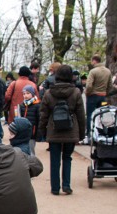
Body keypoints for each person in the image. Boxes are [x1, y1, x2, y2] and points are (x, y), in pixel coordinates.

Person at [38, 64, 86, 195]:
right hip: (71, 129)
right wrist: (82, 133)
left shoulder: (48, 93)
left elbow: (43, 115)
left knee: (54, 159)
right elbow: (81, 115)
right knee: (67, 158)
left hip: (54, 130)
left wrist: (42, 131)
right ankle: (66, 185)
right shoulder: (76, 92)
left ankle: (55, 187)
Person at [85, 55, 113, 142]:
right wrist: (105, 93)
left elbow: (89, 85)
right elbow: (110, 85)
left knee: (90, 115)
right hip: (103, 96)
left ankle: (90, 135)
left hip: (93, 96)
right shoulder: (108, 71)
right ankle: (101, 134)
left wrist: (87, 93)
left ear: (94, 61)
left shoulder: (93, 71)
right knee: (101, 116)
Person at [18, 85, 41, 152]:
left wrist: (38, 133)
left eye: (28, 93)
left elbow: (39, 119)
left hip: (32, 133)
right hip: (23, 132)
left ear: (32, 94)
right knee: (22, 150)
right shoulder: (22, 105)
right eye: (24, 94)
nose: (25, 95)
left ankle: (32, 162)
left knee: (31, 150)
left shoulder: (37, 105)